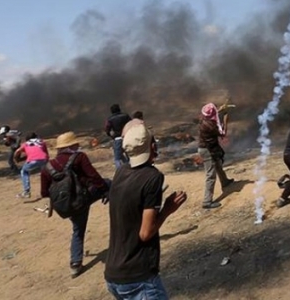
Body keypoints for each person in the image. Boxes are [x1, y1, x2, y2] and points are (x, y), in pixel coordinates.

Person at [105, 123, 187, 299]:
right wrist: (167, 209)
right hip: (138, 278)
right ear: (152, 146)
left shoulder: (121, 172)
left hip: (114, 274)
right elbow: (145, 233)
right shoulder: (152, 178)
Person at [40, 131, 111, 277]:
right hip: (83, 198)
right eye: (76, 143)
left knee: (78, 230)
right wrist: (105, 192)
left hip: (66, 206)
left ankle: (75, 264)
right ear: (72, 145)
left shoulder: (47, 167)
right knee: (109, 183)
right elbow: (94, 177)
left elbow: (44, 193)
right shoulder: (79, 157)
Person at [198, 103, 235, 210]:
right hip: (208, 150)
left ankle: (225, 182)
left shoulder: (204, 119)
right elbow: (222, 133)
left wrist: (220, 110)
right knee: (211, 175)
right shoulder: (210, 125)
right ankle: (207, 201)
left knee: (217, 164)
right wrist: (225, 120)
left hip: (208, 149)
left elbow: (212, 115)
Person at [14, 132, 49, 199]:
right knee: (46, 174)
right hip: (44, 159)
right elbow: (45, 153)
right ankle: (48, 190)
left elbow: (17, 151)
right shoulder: (41, 142)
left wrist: (16, 159)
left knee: (24, 171)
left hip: (32, 160)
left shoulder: (26, 144)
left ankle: (26, 192)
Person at [105, 104, 132, 170]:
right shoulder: (125, 116)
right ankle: (131, 168)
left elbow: (107, 129)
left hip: (117, 139)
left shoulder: (110, 119)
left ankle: (120, 173)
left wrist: (111, 136)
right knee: (129, 155)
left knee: (117, 158)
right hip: (127, 137)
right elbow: (131, 124)